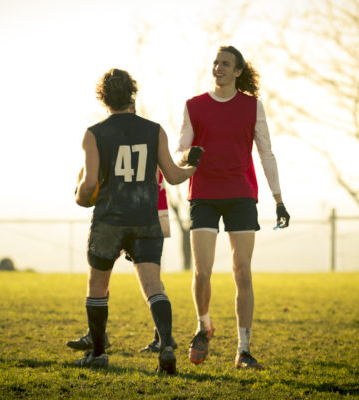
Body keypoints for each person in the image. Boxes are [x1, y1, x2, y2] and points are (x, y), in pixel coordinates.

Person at [74, 68, 202, 374]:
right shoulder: (154, 130)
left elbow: (89, 186)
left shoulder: (94, 134)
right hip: (145, 218)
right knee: (153, 286)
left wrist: (79, 196)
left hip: (109, 220)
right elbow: (172, 175)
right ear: (133, 94)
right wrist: (193, 167)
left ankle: (98, 353)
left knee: (97, 284)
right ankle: (167, 346)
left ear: (103, 97)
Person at [176, 46, 290, 370]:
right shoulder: (194, 106)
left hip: (241, 194)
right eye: (215, 62)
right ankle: (203, 326)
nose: (218, 68)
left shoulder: (253, 107)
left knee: (242, 272)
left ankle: (243, 349)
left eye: (225, 64)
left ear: (238, 71)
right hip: (203, 194)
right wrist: (187, 158)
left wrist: (278, 198)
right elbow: (180, 149)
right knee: (202, 271)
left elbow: (266, 154)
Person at [66, 170, 177, 353]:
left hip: (132, 211)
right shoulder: (146, 142)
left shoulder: (132, 144)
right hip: (136, 208)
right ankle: (98, 335)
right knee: (138, 275)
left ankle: (162, 336)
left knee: (140, 277)